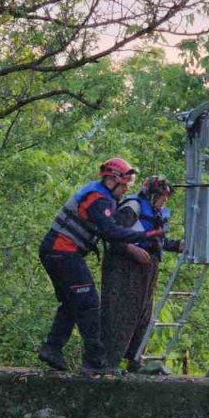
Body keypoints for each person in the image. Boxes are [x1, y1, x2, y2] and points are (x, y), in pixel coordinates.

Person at [38, 158, 163, 376]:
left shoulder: (103, 196)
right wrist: (143, 235)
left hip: (58, 252)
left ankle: (52, 349)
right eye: (124, 184)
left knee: (71, 303)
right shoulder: (98, 199)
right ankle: (95, 362)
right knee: (88, 304)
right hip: (62, 251)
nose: (125, 190)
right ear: (112, 178)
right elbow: (111, 232)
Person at [101, 176, 182, 373]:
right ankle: (108, 363)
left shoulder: (157, 213)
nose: (165, 201)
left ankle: (135, 360)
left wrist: (178, 245)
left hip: (147, 269)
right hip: (125, 267)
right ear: (152, 194)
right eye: (163, 196)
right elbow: (111, 235)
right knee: (121, 313)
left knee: (143, 314)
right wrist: (130, 249)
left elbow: (159, 242)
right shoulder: (132, 207)